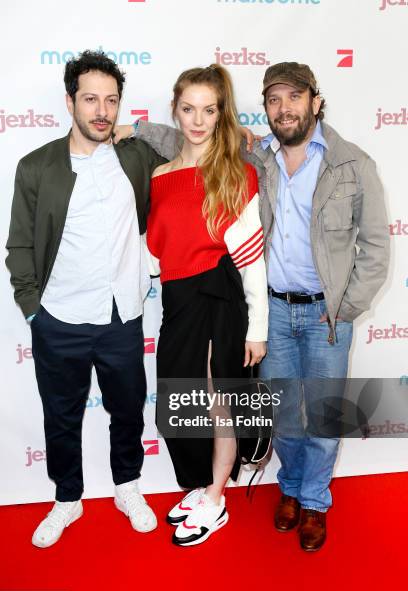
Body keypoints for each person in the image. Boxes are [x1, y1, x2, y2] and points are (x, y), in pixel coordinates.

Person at [116, 61, 389, 552]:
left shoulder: (350, 164)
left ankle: (313, 502)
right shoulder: (257, 154)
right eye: (274, 100)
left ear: (315, 101)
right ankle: (285, 491)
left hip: (320, 315)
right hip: (263, 308)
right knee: (279, 413)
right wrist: (132, 127)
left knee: (323, 416)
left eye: (294, 97)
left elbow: (374, 247)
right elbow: (182, 144)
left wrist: (346, 308)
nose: (285, 109)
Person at [5, 50, 165, 548]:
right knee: (62, 415)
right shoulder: (36, 167)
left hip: (122, 317)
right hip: (60, 318)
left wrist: (140, 130)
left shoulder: (136, 156)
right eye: (90, 99)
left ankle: (128, 486)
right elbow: (20, 246)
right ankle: (66, 498)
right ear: (70, 101)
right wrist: (35, 310)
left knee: (128, 409)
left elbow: (194, 145)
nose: (101, 110)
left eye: (111, 101)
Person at [143, 64, 268, 546]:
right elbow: (155, 253)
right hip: (178, 301)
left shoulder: (237, 172)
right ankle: (202, 486)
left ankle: (215, 496)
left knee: (219, 403)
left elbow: (252, 257)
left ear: (221, 114)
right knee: (182, 401)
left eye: (209, 110)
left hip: (220, 297)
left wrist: (257, 327)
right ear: (175, 109)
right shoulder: (160, 175)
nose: (197, 120)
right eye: (189, 109)